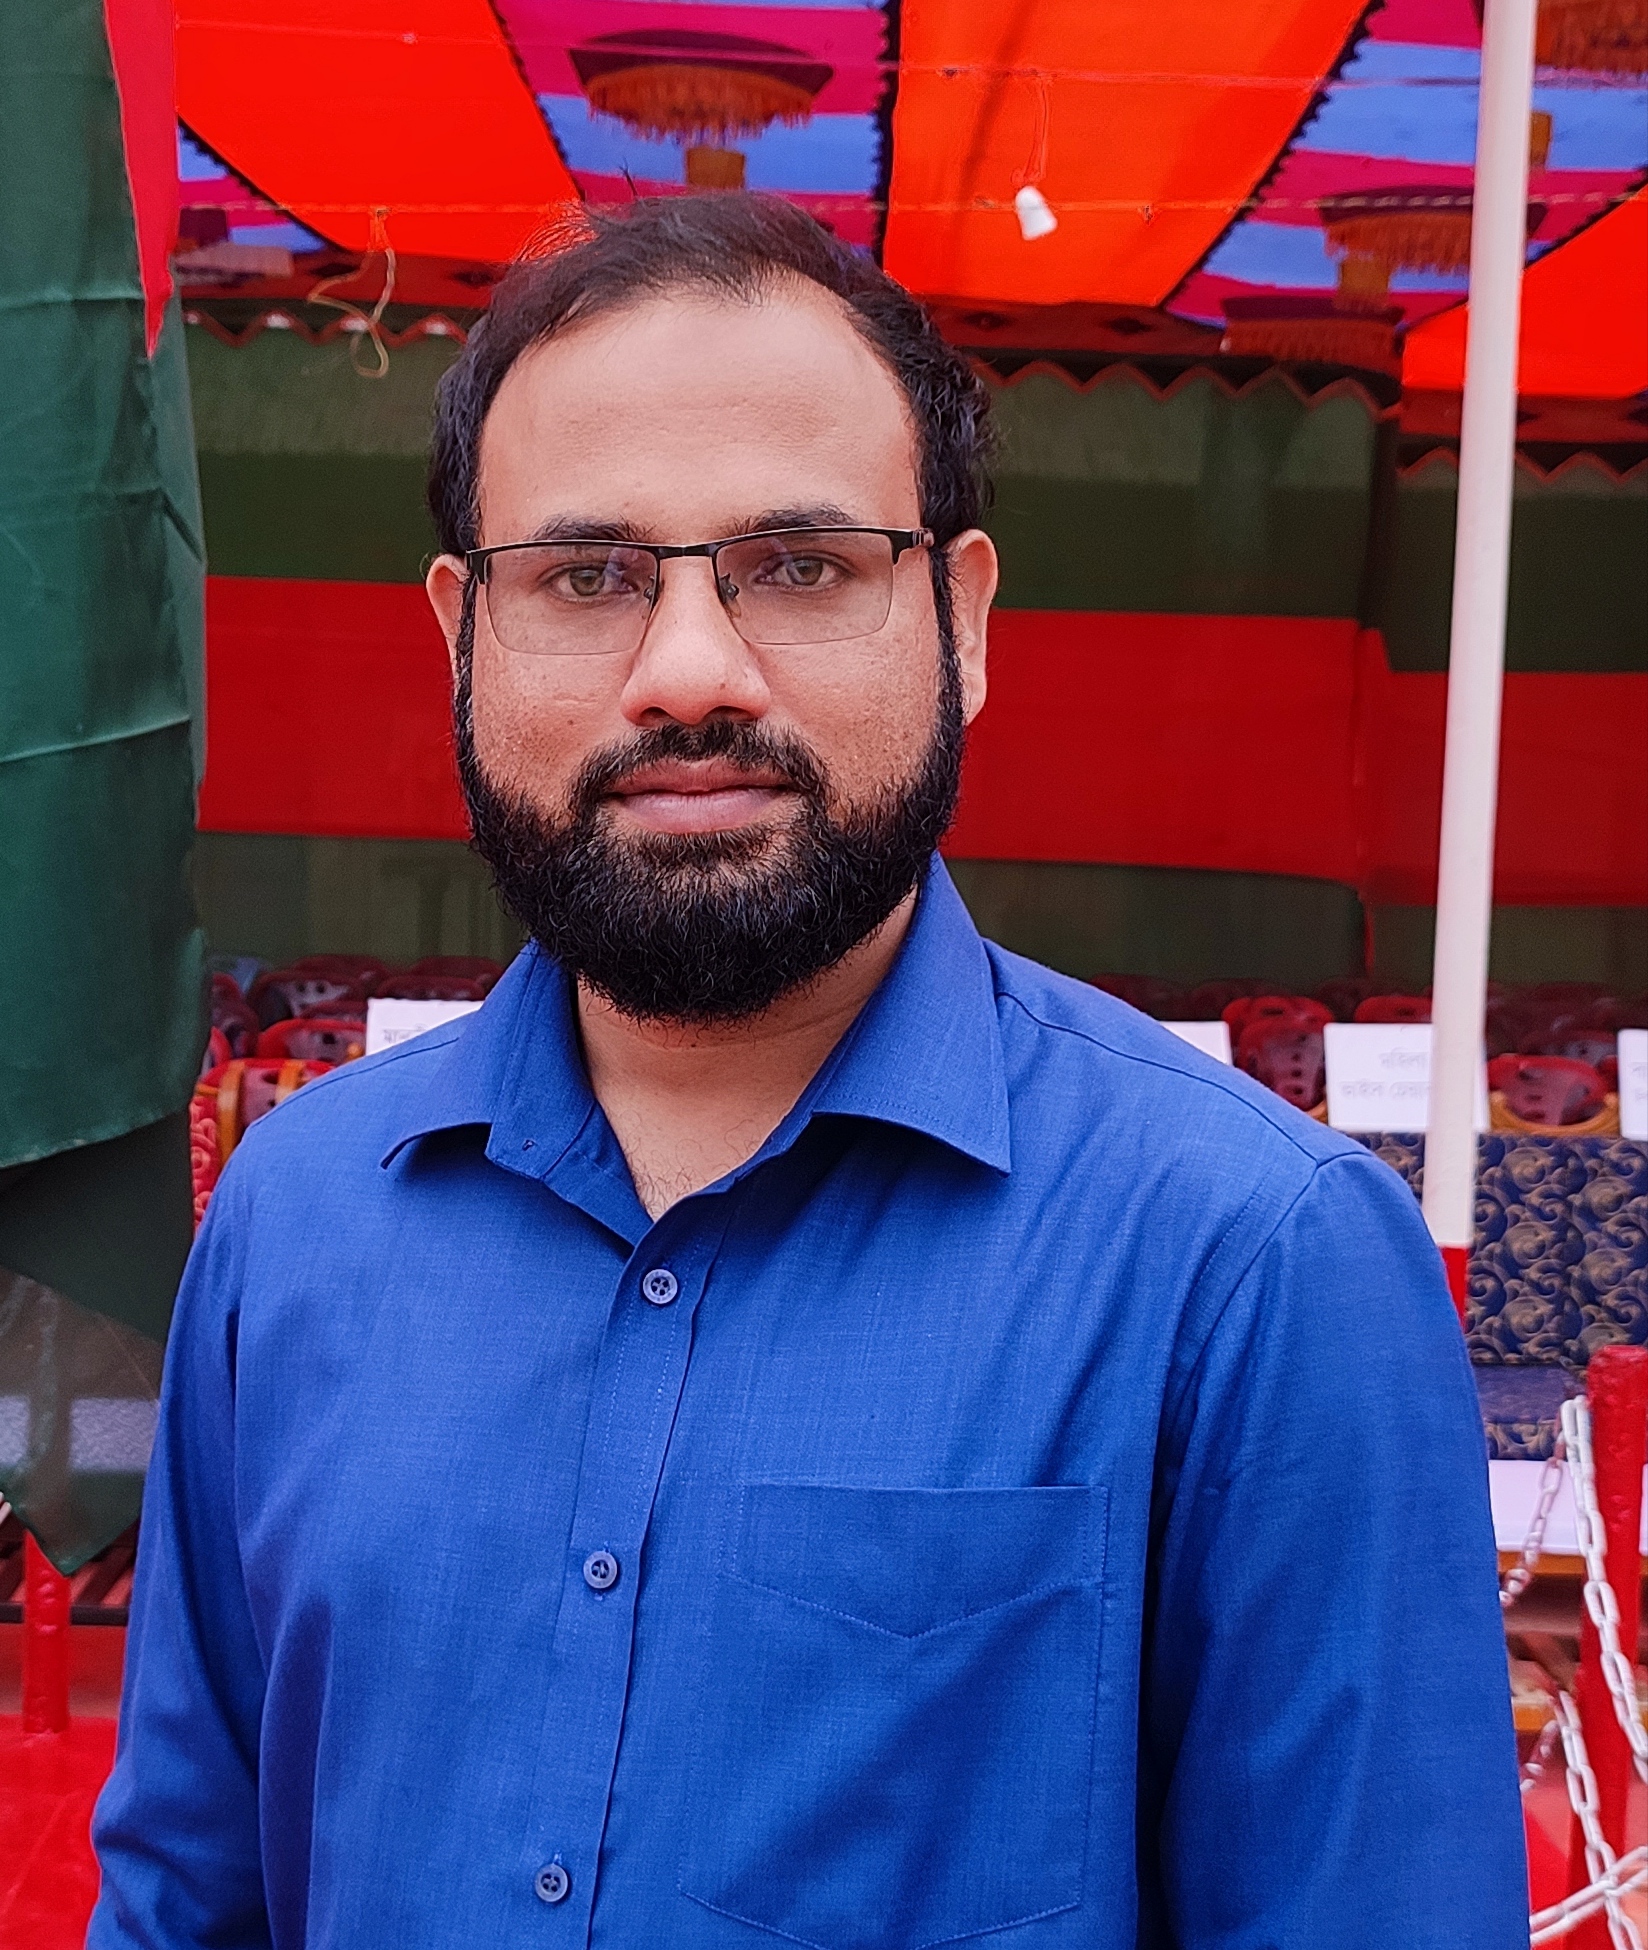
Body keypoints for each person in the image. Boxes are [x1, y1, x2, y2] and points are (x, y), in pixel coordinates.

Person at [90, 194, 1526, 1948]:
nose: (690, 672)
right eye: (587, 576)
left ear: (965, 620)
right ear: (462, 636)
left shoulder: (1252, 1262)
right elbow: (185, 1896)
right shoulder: (296, 1220)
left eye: (801, 564)